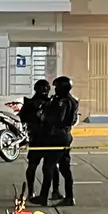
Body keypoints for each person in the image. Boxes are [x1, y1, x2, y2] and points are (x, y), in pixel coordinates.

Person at [30, 76, 79, 207]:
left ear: (62, 88)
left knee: (48, 166)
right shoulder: (72, 101)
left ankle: (44, 196)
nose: (55, 89)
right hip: (66, 136)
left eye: (57, 87)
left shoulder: (62, 102)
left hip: (58, 137)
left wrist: (44, 116)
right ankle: (69, 197)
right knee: (64, 167)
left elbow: (57, 119)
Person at [18, 79, 61, 200]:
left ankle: (32, 191)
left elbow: (22, 118)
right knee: (52, 166)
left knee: (34, 165)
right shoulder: (50, 103)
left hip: (36, 138)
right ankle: (55, 191)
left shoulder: (30, 103)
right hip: (48, 138)